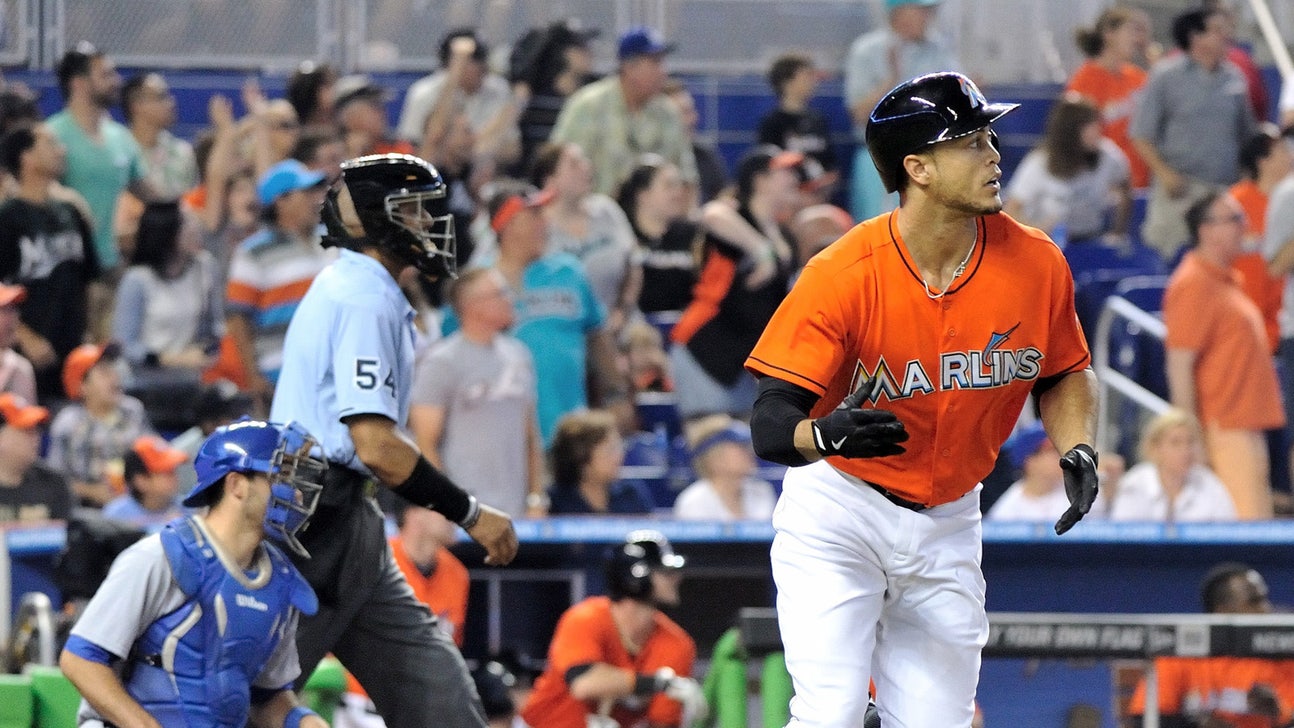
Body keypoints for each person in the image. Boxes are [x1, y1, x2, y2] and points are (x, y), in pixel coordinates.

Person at [744, 72, 1100, 726]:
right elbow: (770, 422)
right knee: (831, 713)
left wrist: (1077, 446)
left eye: (990, 136)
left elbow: (1064, 372)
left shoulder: (1037, 263)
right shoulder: (842, 272)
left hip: (950, 518)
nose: (994, 154)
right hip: (841, 511)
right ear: (918, 168)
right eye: (969, 141)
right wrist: (824, 436)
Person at [270, 153, 518, 728]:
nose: (430, 224)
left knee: (443, 702)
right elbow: (376, 445)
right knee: (259, 699)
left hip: (347, 519)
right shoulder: (364, 296)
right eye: (414, 211)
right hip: (311, 523)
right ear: (378, 219)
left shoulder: (364, 285)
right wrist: (470, 512)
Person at [59, 419, 330, 728]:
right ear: (236, 485)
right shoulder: (159, 556)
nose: (296, 495)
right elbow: (80, 660)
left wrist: (305, 722)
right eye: (281, 478)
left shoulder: (279, 582)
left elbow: (266, 698)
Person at [456, 182, 631, 442]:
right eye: (534, 215)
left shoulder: (569, 272)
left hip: (570, 433)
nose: (545, 222)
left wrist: (617, 393)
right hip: (502, 434)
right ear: (509, 223)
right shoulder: (479, 284)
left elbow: (597, 336)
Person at [1165, 191, 1283, 519]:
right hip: (1224, 428)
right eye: (1233, 219)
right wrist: (1193, 439)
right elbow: (1179, 366)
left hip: (1243, 425)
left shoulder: (1226, 280)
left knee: (1257, 526)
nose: (1243, 226)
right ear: (1206, 230)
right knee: (1245, 533)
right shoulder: (1193, 283)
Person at [520, 530, 705, 728]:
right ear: (636, 577)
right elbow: (584, 684)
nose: (676, 578)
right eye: (664, 572)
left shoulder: (677, 644)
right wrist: (657, 684)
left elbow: (662, 723)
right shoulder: (585, 618)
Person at [671, 146, 798, 421]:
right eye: (782, 172)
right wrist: (761, 250)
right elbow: (712, 214)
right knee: (712, 448)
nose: (792, 178)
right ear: (759, 180)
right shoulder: (734, 219)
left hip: (741, 360)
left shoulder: (784, 237)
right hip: (704, 349)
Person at [408, 267, 544, 519]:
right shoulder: (442, 362)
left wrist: (536, 497)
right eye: (500, 293)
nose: (510, 299)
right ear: (475, 306)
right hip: (466, 512)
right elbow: (425, 443)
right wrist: (448, 507)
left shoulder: (518, 355)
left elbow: (531, 436)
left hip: (517, 509)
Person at [1130, 7, 1257, 260]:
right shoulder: (1165, 76)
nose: (1227, 36)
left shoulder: (1235, 78)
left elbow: (1247, 136)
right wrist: (1165, 175)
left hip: (1224, 193)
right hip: (1180, 191)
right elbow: (1141, 134)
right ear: (1195, 37)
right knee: (1170, 256)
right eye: (1218, 31)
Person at [335, 503, 471, 728]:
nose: (454, 517)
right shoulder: (373, 559)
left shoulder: (457, 573)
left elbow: (449, 652)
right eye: (443, 505)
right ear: (415, 514)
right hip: (364, 710)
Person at [0, 122, 99, 402]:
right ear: (26, 158)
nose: (61, 150)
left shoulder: (71, 213)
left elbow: (88, 279)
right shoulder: (7, 218)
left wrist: (89, 332)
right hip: (26, 354)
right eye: (50, 144)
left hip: (72, 349)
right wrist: (24, 337)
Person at [1126, 563, 1294, 726]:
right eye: (1254, 601)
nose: (1266, 610)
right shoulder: (1180, 654)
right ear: (1221, 611)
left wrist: (1280, 714)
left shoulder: (1283, 654)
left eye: (1264, 600)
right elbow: (1144, 719)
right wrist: (1196, 724)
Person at [223, 159, 331, 404]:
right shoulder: (253, 252)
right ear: (280, 201)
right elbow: (238, 318)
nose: (316, 199)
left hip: (332, 368)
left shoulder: (331, 240)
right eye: (306, 193)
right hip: (281, 372)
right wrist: (253, 377)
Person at [844, 0, 961, 222]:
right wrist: (891, 80)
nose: (927, 17)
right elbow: (858, 113)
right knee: (878, 232)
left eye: (929, 11)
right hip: (879, 158)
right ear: (899, 12)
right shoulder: (867, 51)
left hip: (930, 156)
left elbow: (956, 96)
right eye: (921, 10)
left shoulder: (938, 49)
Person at [550, 26, 698, 197]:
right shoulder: (588, 106)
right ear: (629, 67)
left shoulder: (668, 113)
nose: (663, 72)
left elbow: (688, 179)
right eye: (655, 62)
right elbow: (559, 169)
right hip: (597, 216)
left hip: (656, 219)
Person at [47, 42, 153, 270]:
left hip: (112, 267)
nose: (117, 81)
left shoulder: (121, 138)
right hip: (67, 270)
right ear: (78, 83)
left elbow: (150, 194)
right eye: (106, 75)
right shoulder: (52, 136)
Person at [533, 141, 641, 334]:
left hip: (619, 323)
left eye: (585, 161)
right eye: (574, 164)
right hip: (563, 329)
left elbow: (633, 267)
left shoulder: (606, 210)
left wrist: (621, 312)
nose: (586, 167)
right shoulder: (535, 226)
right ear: (550, 180)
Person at [112, 201, 222, 381]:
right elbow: (124, 345)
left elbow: (213, 328)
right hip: (142, 383)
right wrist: (172, 359)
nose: (195, 229)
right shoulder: (138, 280)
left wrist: (208, 352)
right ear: (165, 232)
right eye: (186, 223)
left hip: (188, 380)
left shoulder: (205, 268)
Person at [1002, 94, 1131, 245]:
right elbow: (1011, 210)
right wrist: (1037, 231)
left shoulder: (1108, 156)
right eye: (1089, 126)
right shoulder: (1039, 163)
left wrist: (1117, 231)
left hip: (1092, 238)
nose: (1097, 131)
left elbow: (1125, 186)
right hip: (1050, 243)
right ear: (1070, 131)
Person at [48, 343, 154, 507]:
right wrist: (92, 491)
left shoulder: (133, 411)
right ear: (82, 386)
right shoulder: (68, 423)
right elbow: (54, 481)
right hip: (85, 511)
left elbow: (153, 457)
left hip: (134, 507)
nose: (114, 378)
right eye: (104, 373)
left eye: (114, 371)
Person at [397, 30, 521, 168]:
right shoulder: (424, 92)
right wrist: (455, 75)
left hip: (481, 169)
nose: (483, 66)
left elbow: (512, 150)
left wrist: (467, 152)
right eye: (473, 59)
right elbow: (415, 145)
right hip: (435, 166)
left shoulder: (498, 89)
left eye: (483, 58)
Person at [1065, 6, 1151, 189]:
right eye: (1129, 32)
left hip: (1141, 180)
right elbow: (1074, 139)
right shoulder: (1083, 82)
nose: (1135, 39)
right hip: (1105, 184)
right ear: (1109, 34)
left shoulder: (1138, 77)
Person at [1109, 408, 1236, 522]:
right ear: (1155, 448)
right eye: (1176, 443)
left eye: (1190, 442)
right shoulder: (1136, 483)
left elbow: (1227, 533)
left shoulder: (1209, 483)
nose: (1185, 451)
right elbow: (1122, 532)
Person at [616, 155, 698, 315]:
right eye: (669, 186)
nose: (678, 193)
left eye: (679, 185)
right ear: (643, 195)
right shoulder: (621, 235)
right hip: (633, 329)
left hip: (681, 328)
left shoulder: (692, 234)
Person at [547, 409, 653, 516]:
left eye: (618, 447)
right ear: (581, 457)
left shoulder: (631, 494)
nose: (619, 456)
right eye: (610, 450)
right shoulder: (554, 502)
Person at [757, 54, 839, 192]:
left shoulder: (818, 120)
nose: (813, 82)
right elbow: (768, 165)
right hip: (787, 197)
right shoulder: (773, 123)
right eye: (806, 76)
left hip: (817, 194)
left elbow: (830, 163)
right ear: (787, 82)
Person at [673, 415, 777, 521]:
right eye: (741, 447)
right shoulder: (693, 501)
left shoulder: (763, 491)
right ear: (714, 458)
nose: (750, 452)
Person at [122, 72, 198, 202]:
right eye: (161, 97)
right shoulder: (120, 151)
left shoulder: (182, 152)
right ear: (137, 106)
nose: (171, 102)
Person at [0, 392, 71, 524]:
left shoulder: (54, 483)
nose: (36, 438)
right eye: (25, 431)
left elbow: (71, 536)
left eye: (35, 430)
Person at [984, 422, 1072, 522]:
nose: (1063, 456)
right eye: (1052, 451)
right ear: (1030, 461)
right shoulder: (1009, 508)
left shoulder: (1079, 491)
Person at [102, 435, 189, 531]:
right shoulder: (115, 516)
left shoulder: (190, 508)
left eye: (173, 470)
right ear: (141, 481)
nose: (174, 478)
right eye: (166, 473)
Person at [334, 75, 413, 159]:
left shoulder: (398, 148)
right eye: (374, 107)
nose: (382, 113)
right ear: (350, 116)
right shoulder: (330, 149)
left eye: (382, 107)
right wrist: (353, 154)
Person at [0, 283, 37, 403]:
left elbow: (27, 419)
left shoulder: (21, 368)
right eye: (5, 310)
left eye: (14, 309)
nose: (14, 317)